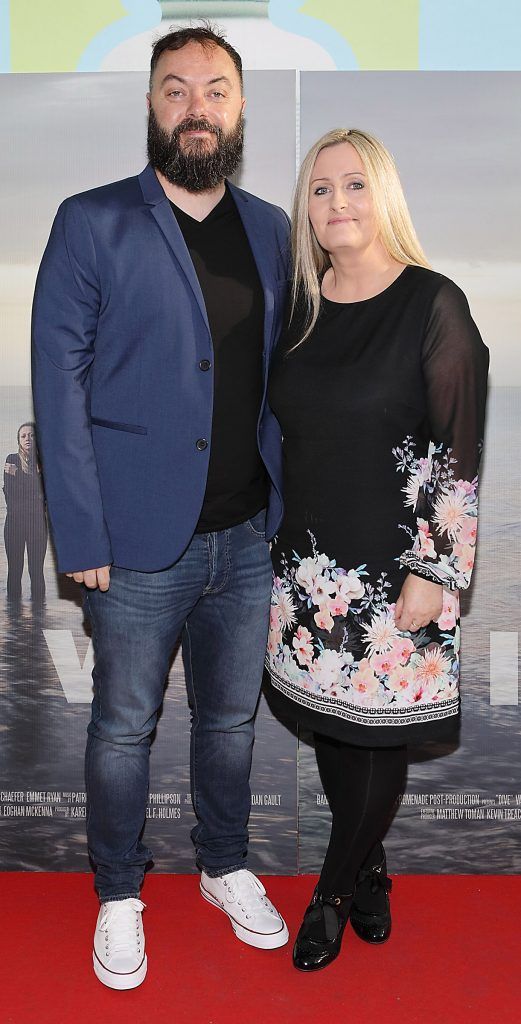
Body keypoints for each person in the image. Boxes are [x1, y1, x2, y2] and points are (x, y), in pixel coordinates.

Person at [32, 26, 290, 990]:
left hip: (249, 536)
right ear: (151, 106)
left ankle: (223, 867)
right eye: (174, 90)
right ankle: (119, 894)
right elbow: (56, 386)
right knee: (121, 727)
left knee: (230, 725)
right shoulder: (91, 221)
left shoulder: (271, 228)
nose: (195, 107)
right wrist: (81, 533)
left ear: (237, 109)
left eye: (214, 90)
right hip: (133, 546)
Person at [265, 128, 489, 971]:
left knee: (375, 737)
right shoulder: (299, 307)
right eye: (319, 190)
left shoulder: (433, 303)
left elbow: (457, 451)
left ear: (383, 194)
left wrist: (434, 571)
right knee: (335, 728)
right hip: (309, 569)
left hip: (399, 577)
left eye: (353, 186)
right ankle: (371, 867)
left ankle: (331, 890)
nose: (335, 205)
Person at [3, 422, 47, 605]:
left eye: (31, 435)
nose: (27, 438)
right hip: (14, 524)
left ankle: (39, 616)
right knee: (15, 570)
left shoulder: (45, 463)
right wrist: (31, 484)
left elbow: (42, 494)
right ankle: (14, 621)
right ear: (19, 440)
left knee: (36, 571)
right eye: (23, 436)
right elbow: (12, 496)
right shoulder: (11, 459)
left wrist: (19, 476)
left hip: (38, 525)